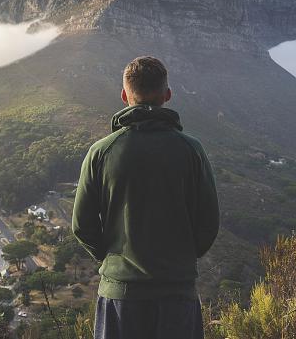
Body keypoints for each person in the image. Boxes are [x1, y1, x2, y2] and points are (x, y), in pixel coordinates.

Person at [72, 56, 220, 339]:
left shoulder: (101, 152)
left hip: (120, 297)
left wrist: (112, 260)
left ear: (124, 94)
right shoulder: (191, 150)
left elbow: (82, 225)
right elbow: (208, 224)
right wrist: (182, 259)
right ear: (167, 94)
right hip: (178, 294)